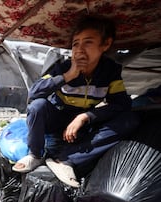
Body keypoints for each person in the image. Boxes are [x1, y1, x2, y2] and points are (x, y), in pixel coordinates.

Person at [12, 15, 139, 187]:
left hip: (83, 124)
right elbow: (34, 93)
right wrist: (68, 76)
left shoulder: (110, 71)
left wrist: (86, 116)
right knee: (37, 106)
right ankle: (35, 155)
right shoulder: (63, 67)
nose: (79, 49)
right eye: (75, 44)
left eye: (88, 42)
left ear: (105, 45)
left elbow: (122, 105)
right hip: (57, 118)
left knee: (129, 120)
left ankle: (65, 161)